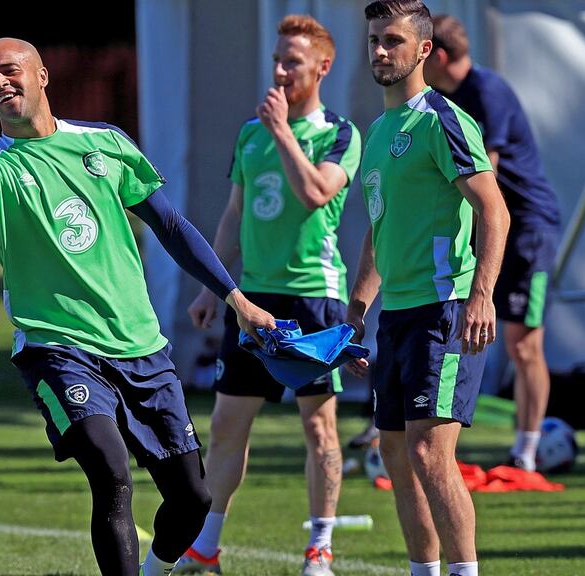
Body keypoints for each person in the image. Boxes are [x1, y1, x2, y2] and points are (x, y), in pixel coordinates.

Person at [0, 38, 276, 576]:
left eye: (9, 71)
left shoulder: (105, 143)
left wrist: (235, 298)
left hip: (141, 345)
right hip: (55, 348)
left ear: (43, 76)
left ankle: (154, 569)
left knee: (193, 498)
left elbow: (171, 227)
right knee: (110, 472)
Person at [179, 14, 360, 576]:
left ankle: (319, 549)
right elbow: (234, 213)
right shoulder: (249, 132)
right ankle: (206, 547)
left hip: (314, 298)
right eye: (277, 60)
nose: (280, 71)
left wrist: (284, 131)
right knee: (228, 425)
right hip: (253, 301)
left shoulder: (339, 133)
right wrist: (217, 285)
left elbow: (314, 195)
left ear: (323, 68)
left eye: (293, 62)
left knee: (318, 427)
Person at [348, 3, 510, 576]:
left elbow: (494, 210)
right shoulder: (378, 130)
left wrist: (482, 294)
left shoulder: (443, 120)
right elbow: (378, 227)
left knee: (427, 451)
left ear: (423, 50)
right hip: (397, 315)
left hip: (445, 311)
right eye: (373, 40)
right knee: (393, 452)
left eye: (392, 40)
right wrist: (357, 311)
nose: (379, 51)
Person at [423, 14, 562, 472]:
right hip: (490, 229)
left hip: (527, 231)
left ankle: (525, 453)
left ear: (437, 55)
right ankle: (448, 442)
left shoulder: (486, 92)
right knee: (470, 331)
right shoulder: (447, 100)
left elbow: (489, 175)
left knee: (524, 344)